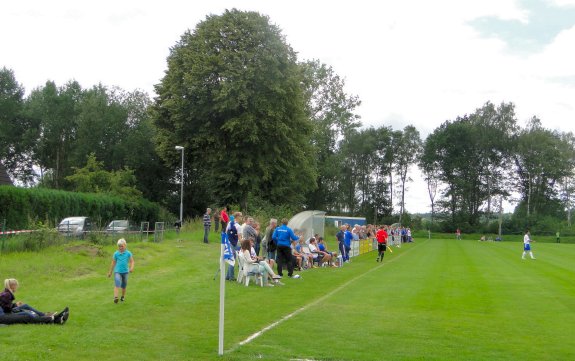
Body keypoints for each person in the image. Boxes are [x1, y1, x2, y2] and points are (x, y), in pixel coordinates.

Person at [0, 278, 69, 324]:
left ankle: (53, 317)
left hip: (5, 314)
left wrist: (15, 305)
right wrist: (15, 307)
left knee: (25, 310)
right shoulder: (6, 294)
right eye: (16, 286)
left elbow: (5, 306)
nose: (17, 288)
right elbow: (7, 308)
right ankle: (52, 318)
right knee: (27, 315)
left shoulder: (6, 294)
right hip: (5, 315)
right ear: (13, 286)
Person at [107, 238, 135, 303]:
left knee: (124, 286)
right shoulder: (116, 254)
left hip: (125, 272)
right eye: (119, 246)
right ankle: (116, 297)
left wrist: (131, 268)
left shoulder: (128, 253)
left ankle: (122, 296)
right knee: (117, 282)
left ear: (125, 246)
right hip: (117, 271)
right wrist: (110, 272)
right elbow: (113, 263)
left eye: (122, 246)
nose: (120, 247)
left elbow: (132, 261)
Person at [225, 215, 239, 281]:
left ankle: (228, 276)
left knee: (231, 259)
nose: (241, 218)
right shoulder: (237, 225)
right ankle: (231, 277)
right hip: (233, 243)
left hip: (229, 242)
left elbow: (226, 232)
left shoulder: (229, 223)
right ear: (237, 217)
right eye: (241, 216)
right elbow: (239, 236)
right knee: (232, 260)